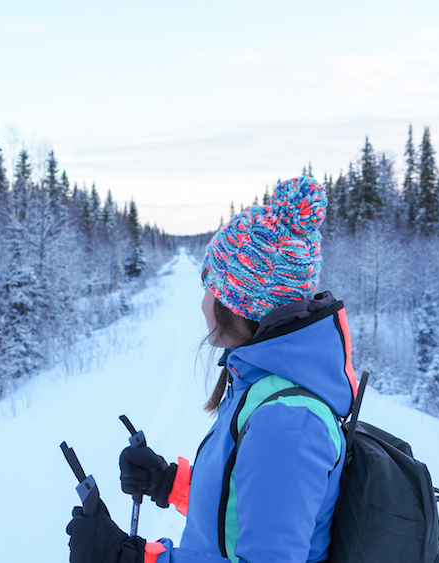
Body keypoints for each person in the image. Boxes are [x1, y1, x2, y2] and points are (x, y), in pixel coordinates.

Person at [67, 176, 358, 563]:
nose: (204, 302)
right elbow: (244, 510)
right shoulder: (261, 389)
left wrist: (135, 559)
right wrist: (170, 483)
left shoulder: (287, 421)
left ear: (242, 304)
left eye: (212, 288)